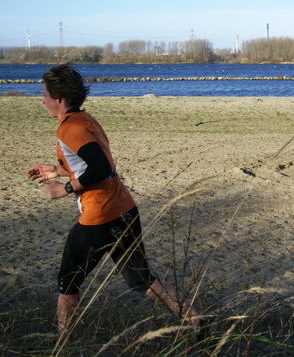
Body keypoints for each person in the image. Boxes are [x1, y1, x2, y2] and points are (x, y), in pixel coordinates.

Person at [26, 63, 199, 335]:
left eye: (45, 94)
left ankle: (62, 343)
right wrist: (59, 170)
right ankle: (195, 320)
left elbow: (101, 168)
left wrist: (66, 189)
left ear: (59, 99)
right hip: (124, 209)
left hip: (98, 217)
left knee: (68, 283)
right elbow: (97, 165)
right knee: (142, 280)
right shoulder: (85, 119)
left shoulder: (68, 129)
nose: (43, 99)